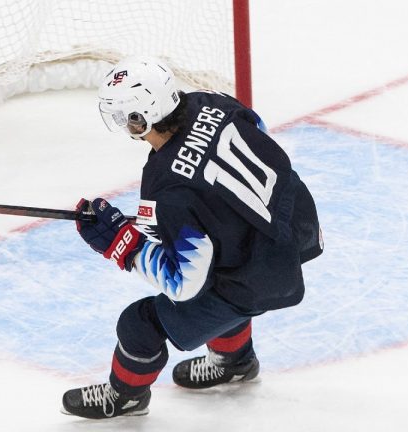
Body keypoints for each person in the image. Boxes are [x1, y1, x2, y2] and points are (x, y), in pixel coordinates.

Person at [61, 57, 323, 419]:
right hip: (295, 223)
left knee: (141, 322)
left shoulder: (166, 190)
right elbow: (259, 133)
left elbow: (184, 284)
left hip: (261, 274)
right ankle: (236, 363)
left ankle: (127, 396)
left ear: (139, 121)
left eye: (123, 118)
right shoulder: (211, 100)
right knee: (226, 272)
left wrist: (123, 244)